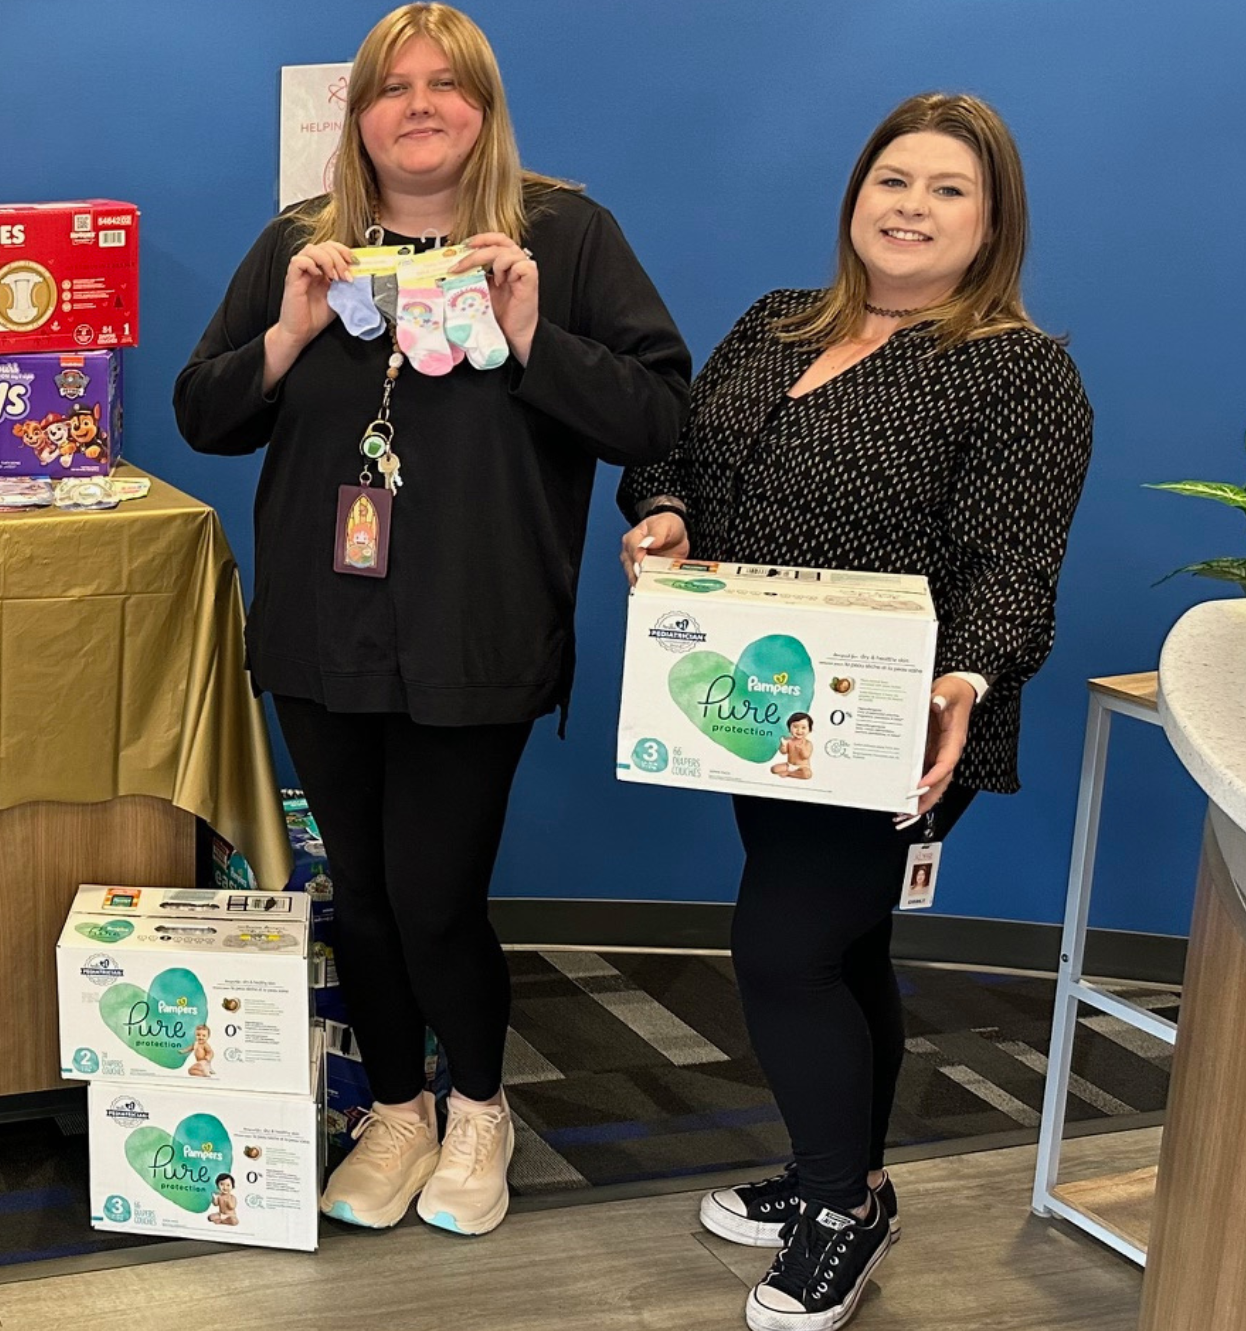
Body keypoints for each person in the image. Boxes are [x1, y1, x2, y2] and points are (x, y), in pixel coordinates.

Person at [175, 1, 689, 1240]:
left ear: (483, 106)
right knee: (360, 890)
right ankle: (394, 1105)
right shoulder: (304, 243)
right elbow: (205, 412)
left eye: (443, 85)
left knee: (435, 890)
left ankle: (476, 1105)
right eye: (390, 87)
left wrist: (528, 333)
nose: (416, 105)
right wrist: (292, 329)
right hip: (321, 622)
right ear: (356, 115)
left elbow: (658, 414)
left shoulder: (562, 235)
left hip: (481, 622)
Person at [617, 92, 1091, 1331]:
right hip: (753, 702)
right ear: (855, 199)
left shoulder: (1017, 371)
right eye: (893, 179)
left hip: (900, 724)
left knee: (782, 952)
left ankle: (845, 1206)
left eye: (947, 189)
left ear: (992, 225)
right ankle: (833, 1164)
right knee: (844, 949)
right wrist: (662, 516)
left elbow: (1013, 566)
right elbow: (673, 453)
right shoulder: (774, 324)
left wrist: (968, 679)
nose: (912, 206)